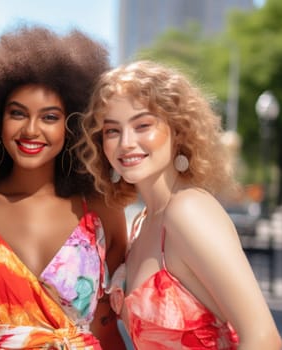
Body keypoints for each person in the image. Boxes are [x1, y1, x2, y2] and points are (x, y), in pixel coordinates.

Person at [0, 26, 128, 349]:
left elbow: (107, 326)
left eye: (49, 117)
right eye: (17, 114)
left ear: (73, 127)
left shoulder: (100, 211)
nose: (31, 130)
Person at [77, 60, 282, 349]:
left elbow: (264, 339)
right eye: (112, 131)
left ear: (179, 130)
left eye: (142, 125)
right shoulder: (143, 222)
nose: (126, 142)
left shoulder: (187, 211)